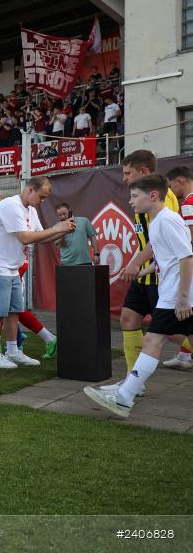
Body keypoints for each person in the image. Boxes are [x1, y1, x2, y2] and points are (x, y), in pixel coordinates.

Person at [84, 175, 192, 416]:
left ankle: (125, 396)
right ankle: (126, 394)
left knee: (153, 340)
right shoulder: (157, 222)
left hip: (176, 294)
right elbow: (167, 259)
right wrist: (142, 269)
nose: (130, 202)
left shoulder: (167, 221)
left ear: (153, 195)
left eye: (134, 196)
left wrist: (183, 297)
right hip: (173, 291)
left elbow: (187, 258)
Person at [0, 176, 75, 369]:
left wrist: (63, 231)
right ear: (30, 190)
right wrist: (56, 228)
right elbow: (26, 238)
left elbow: (41, 238)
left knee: (14, 310)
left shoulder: (30, 210)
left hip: (8, 266)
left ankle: (12, 351)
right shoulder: (11, 206)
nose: (42, 201)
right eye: (41, 196)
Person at [111, 151, 190, 383]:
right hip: (146, 275)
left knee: (172, 332)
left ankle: (132, 385)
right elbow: (148, 239)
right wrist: (137, 263)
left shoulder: (163, 200)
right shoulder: (142, 197)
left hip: (161, 277)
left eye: (128, 173)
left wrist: (136, 263)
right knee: (128, 318)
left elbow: (164, 241)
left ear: (143, 171)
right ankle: (131, 380)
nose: (124, 178)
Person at [166, 166, 193, 243]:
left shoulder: (188, 203)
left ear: (179, 182)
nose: (169, 191)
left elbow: (191, 236)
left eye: (169, 186)